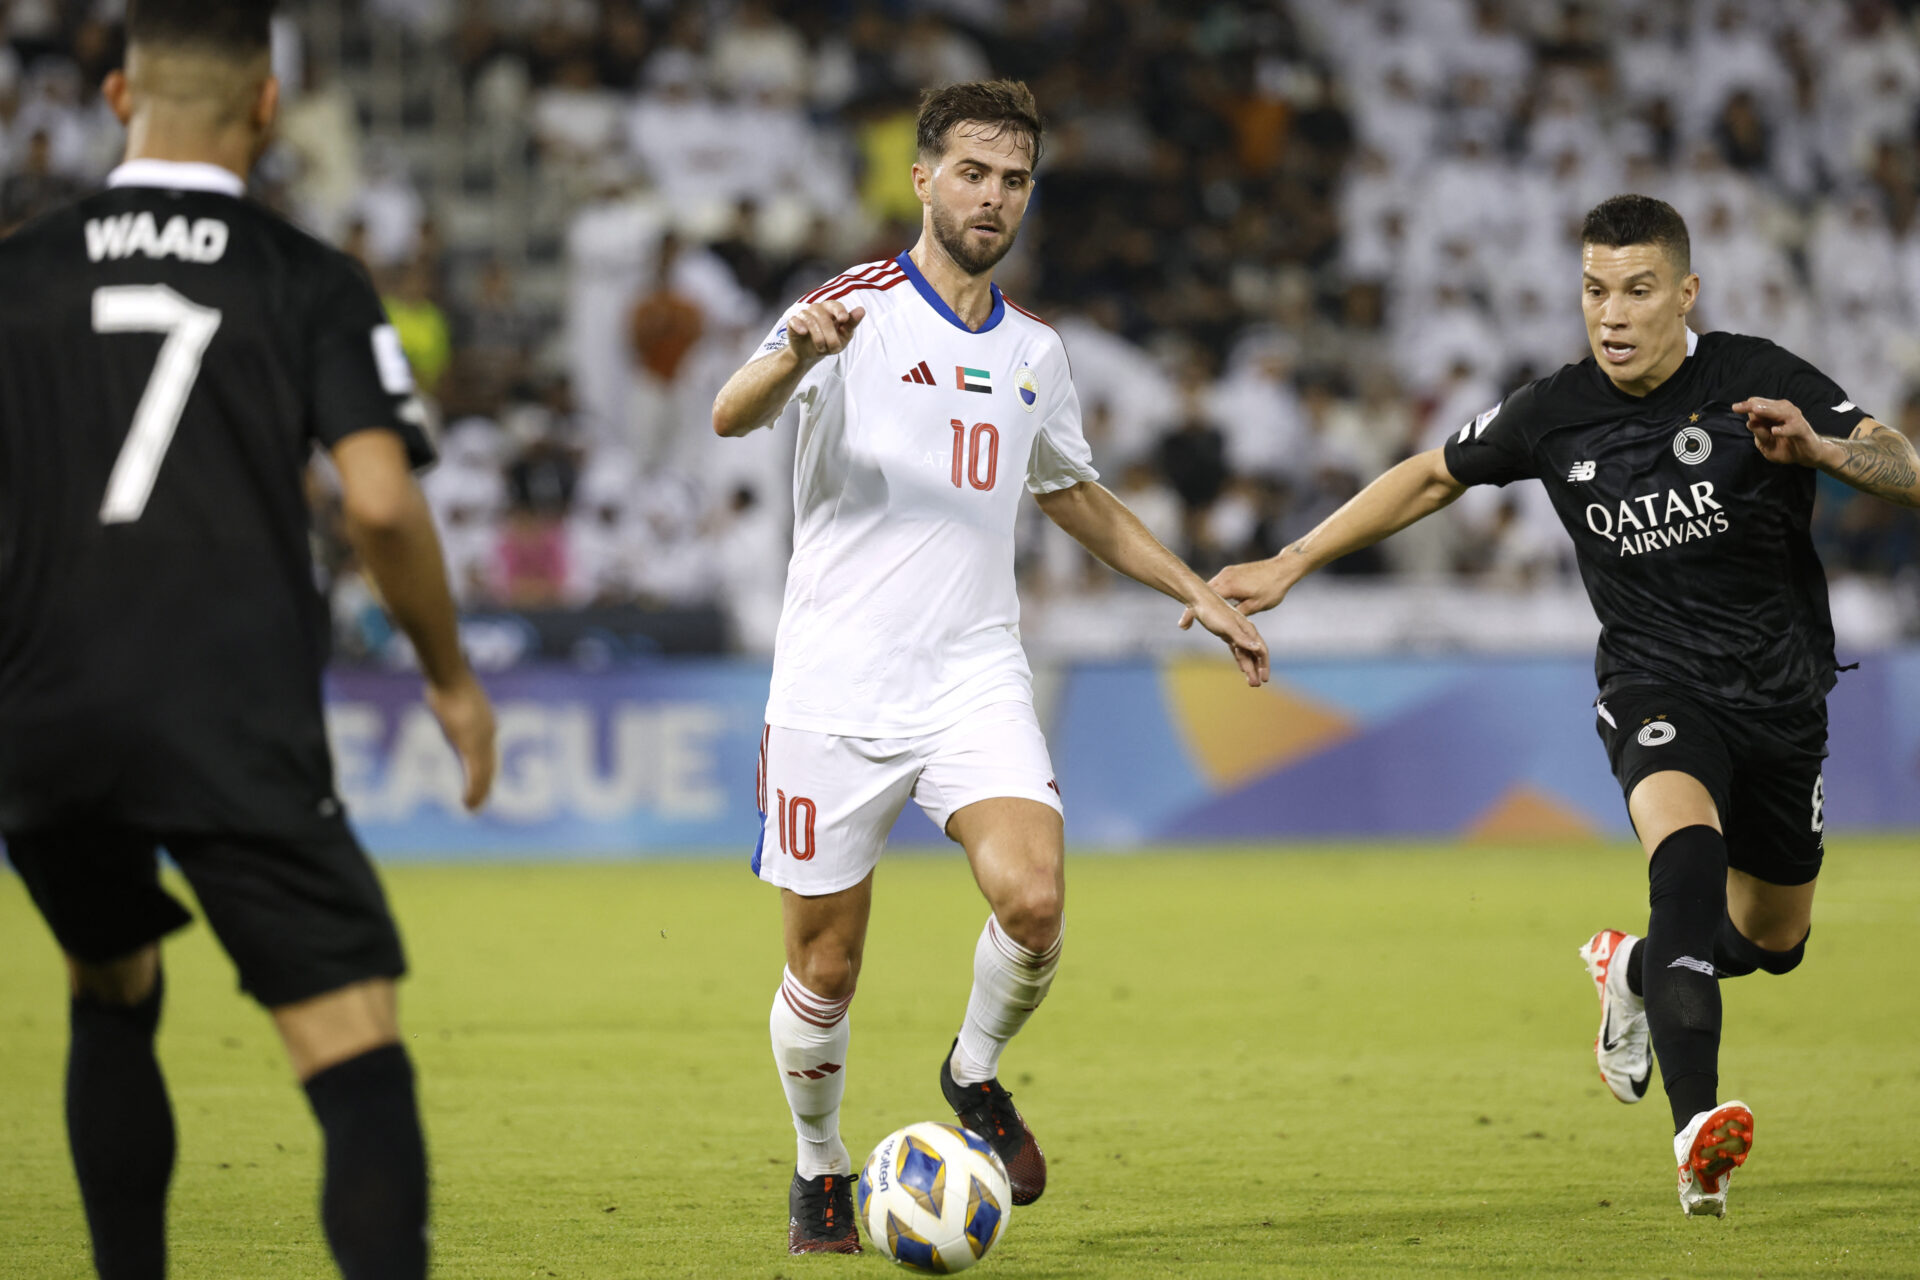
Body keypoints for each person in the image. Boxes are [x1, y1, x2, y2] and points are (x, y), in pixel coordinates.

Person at [1196, 193, 1920, 1219]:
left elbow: (1903, 464)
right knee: (1686, 863)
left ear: (1686, 293)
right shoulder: (1555, 408)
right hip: (1655, 684)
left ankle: (1626, 966)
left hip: (1783, 695)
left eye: (1635, 290)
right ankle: (1697, 1131)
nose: (1611, 314)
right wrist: (1294, 558)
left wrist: (1825, 451)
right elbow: (1429, 476)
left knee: (1773, 937)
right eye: (1593, 290)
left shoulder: (1762, 378)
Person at [711, 79, 1269, 1255]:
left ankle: (972, 1071)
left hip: (972, 673)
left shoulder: (1035, 351)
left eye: (1013, 179)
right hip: (833, 685)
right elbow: (729, 411)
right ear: (922, 178)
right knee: (826, 965)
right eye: (972, 171)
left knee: (1036, 897)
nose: (993, 196)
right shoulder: (846, 306)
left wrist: (1198, 590)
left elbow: (1073, 493)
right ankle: (819, 1162)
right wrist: (791, 354)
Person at [0, 3, 497, 1278]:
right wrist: (447, 676)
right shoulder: (304, 276)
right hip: (226, 701)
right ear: (267, 109)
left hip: (42, 705)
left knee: (108, 982)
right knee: (348, 1039)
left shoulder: (18, 271)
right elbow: (379, 499)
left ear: (118, 95)